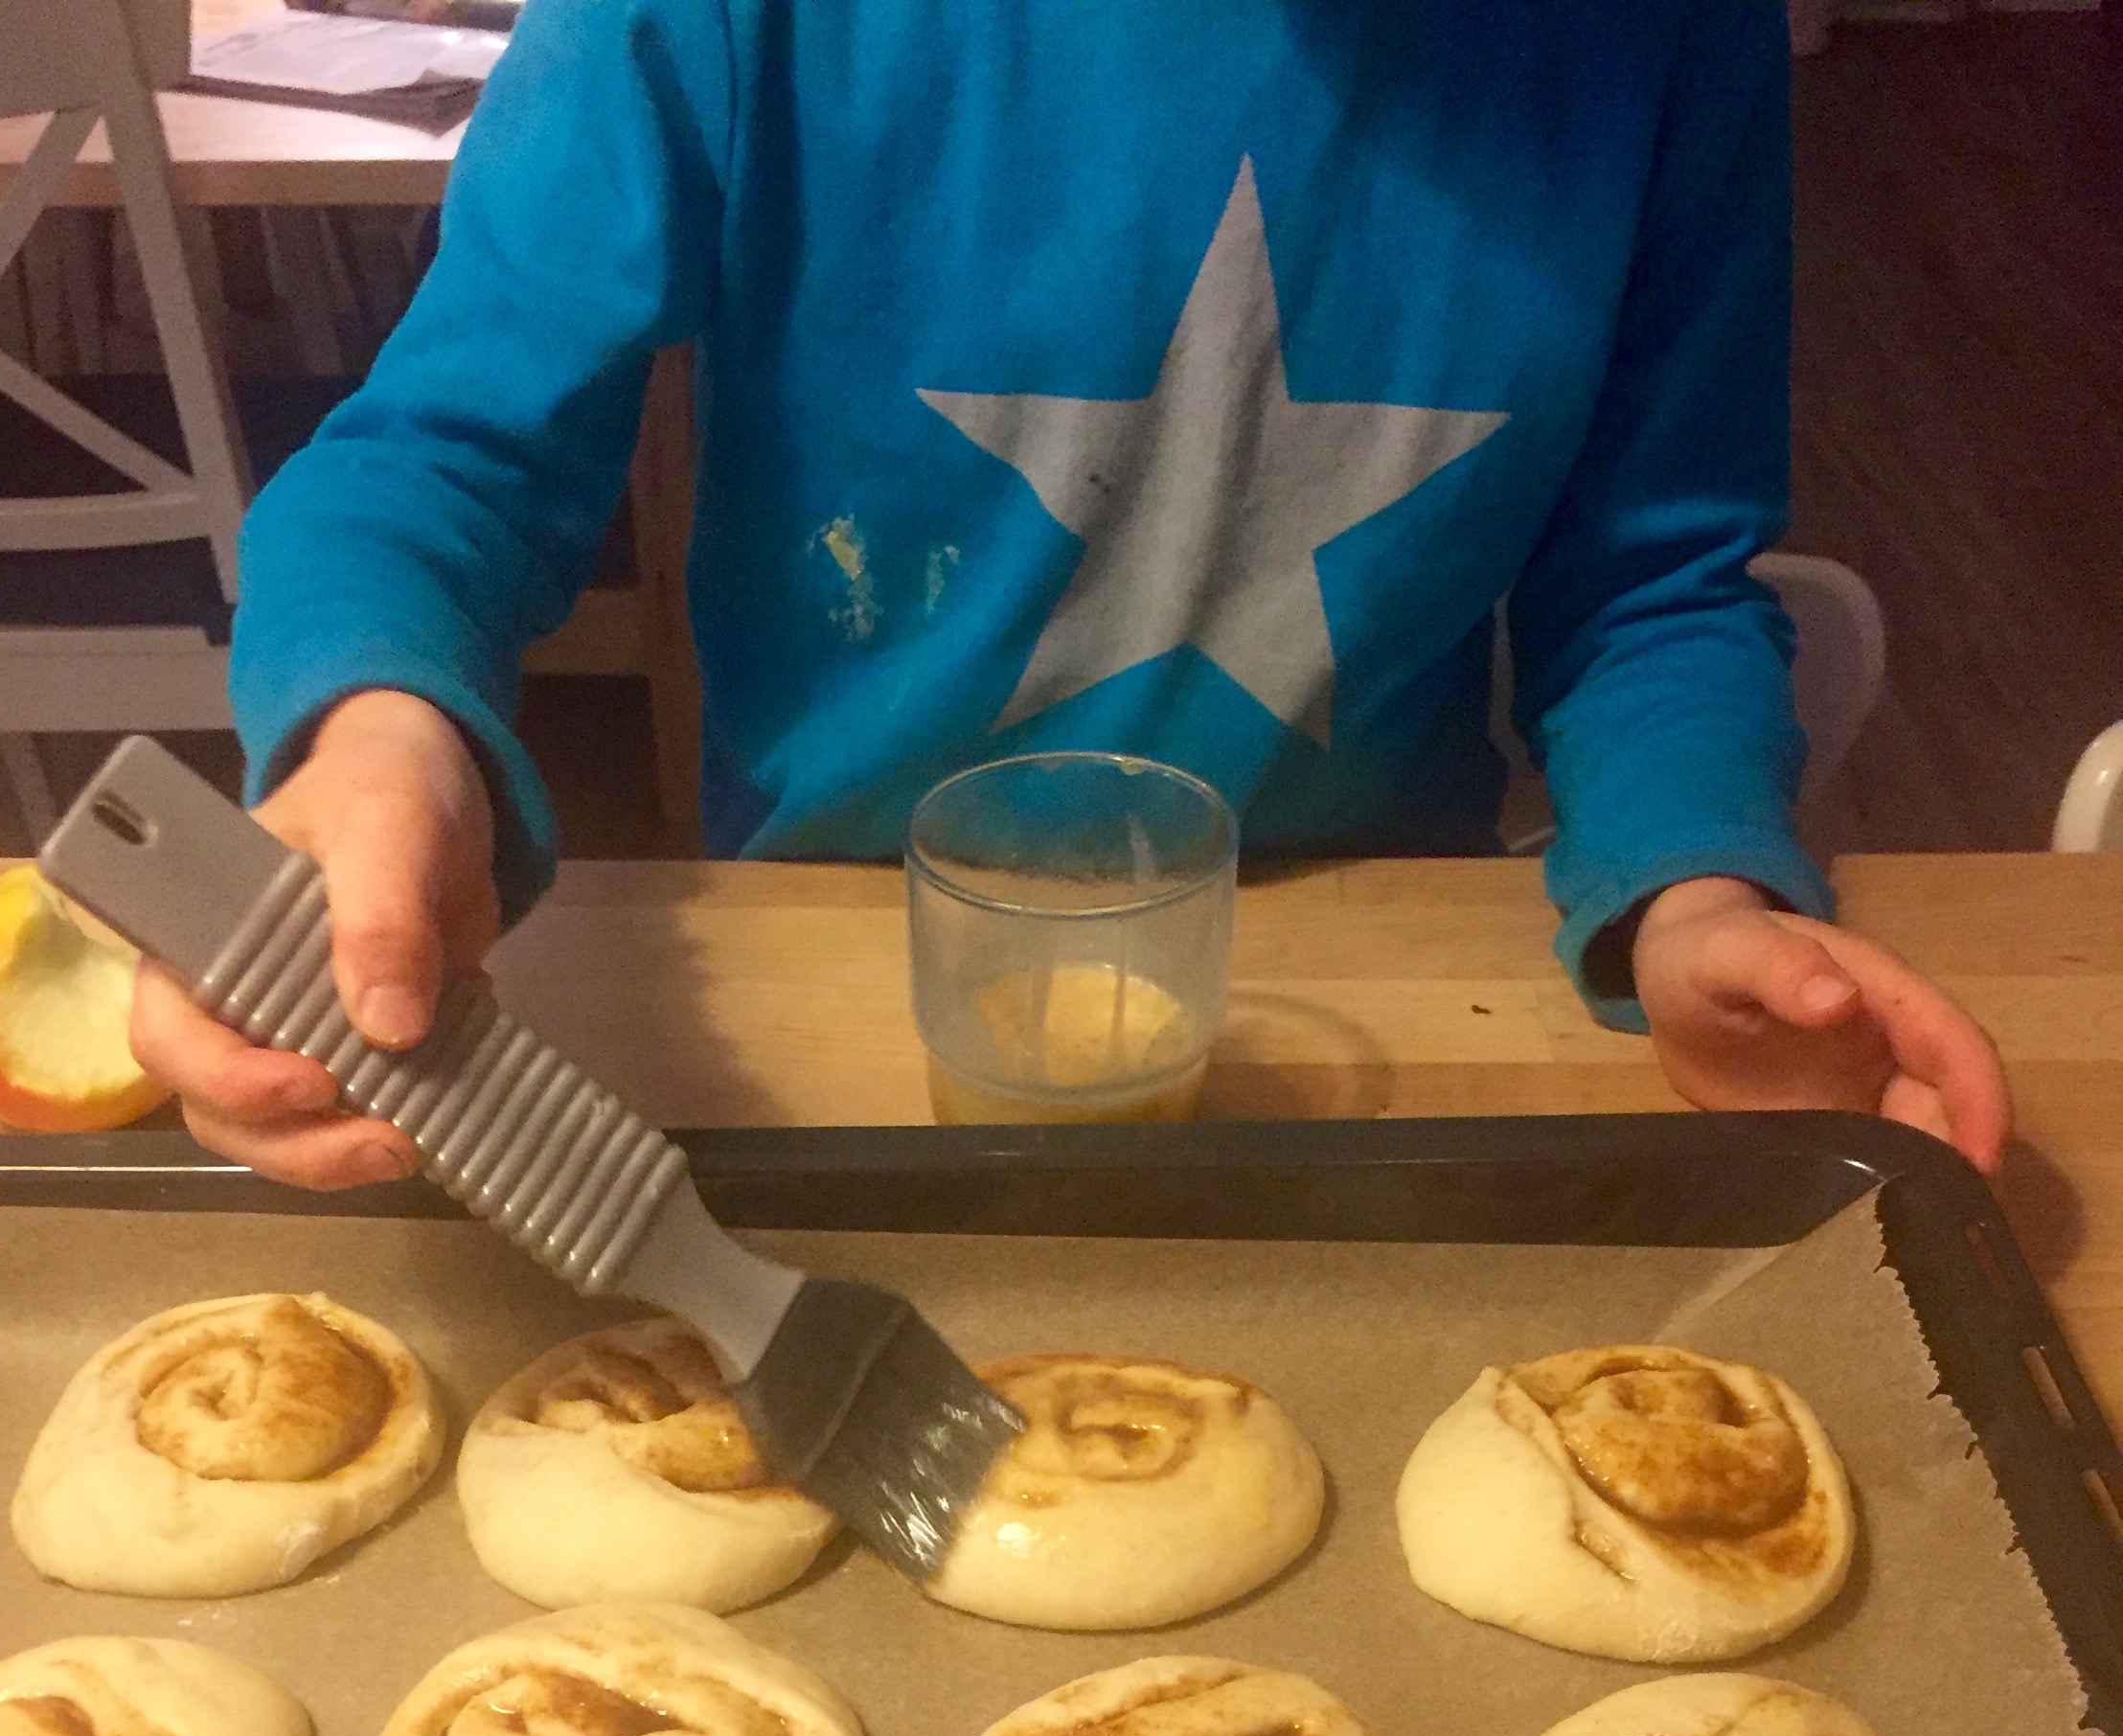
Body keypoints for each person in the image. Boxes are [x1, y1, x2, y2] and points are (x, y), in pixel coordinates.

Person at [134, 0, 2010, 1182]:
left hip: (1367, 1003)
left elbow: (1654, 579)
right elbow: (443, 456)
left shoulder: (1660, 38)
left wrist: (1691, 882)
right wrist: (382, 740)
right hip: (843, 998)